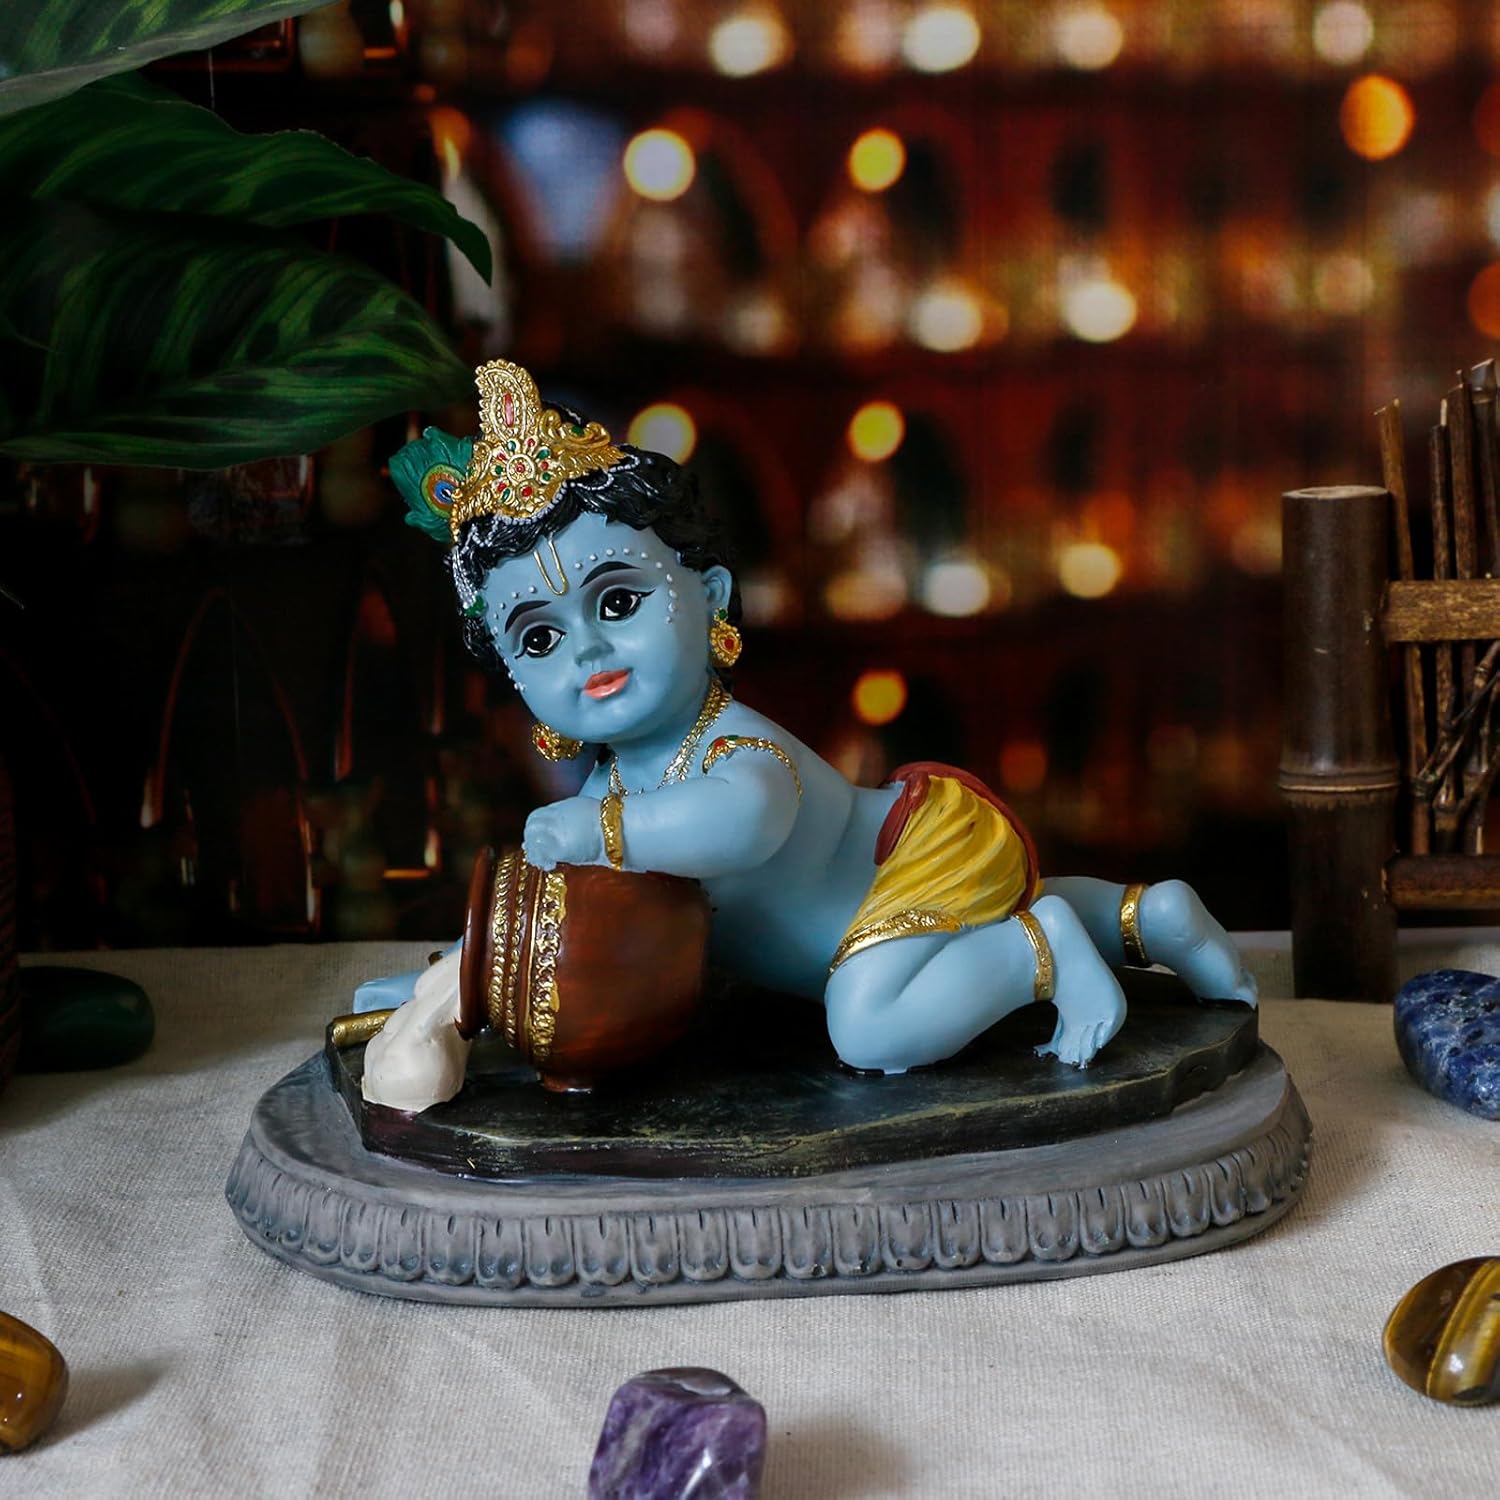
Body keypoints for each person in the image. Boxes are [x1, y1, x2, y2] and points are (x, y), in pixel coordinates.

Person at [359, 360, 1255, 1112]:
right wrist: (449, 987)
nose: (587, 650)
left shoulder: (729, 747)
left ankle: (1042, 949)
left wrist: (605, 831)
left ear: (710, 596)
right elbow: (544, 919)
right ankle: (1147, 916)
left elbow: (744, 821)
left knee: (870, 1029)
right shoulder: (613, 788)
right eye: (539, 640)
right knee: (965, 925)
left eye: (619, 602)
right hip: (911, 907)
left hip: (908, 861)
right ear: (512, 674)